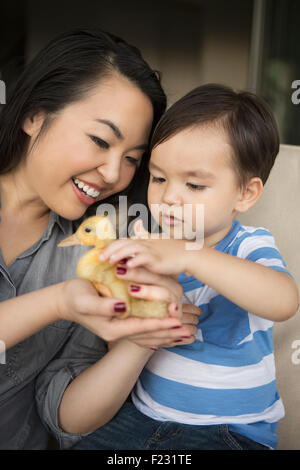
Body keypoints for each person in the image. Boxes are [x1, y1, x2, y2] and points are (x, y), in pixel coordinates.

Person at [0, 28, 201, 450]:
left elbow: (67, 420)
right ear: (34, 114)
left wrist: (144, 336)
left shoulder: (102, 251)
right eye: (100, 140)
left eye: (131, 159)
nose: (114, 174)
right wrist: (58, 302)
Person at [73, 84, 299, 450]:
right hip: (141, 416)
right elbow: (118, 335)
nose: (168, 197)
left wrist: (190, 255)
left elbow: (283, 301)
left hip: (230, 432)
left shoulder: (249, 245)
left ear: (246, 194)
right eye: (159, 178)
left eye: (194, 184)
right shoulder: (142, 241)